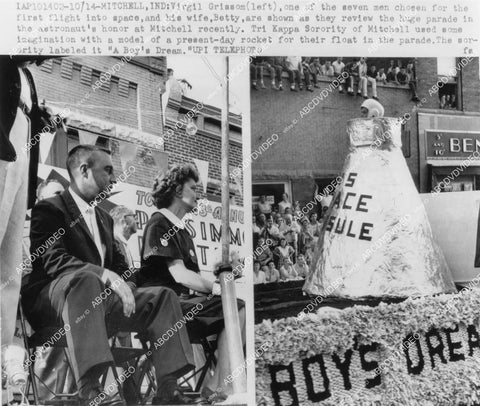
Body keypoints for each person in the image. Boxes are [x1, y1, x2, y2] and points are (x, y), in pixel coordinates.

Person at [22, 145, 197, 406]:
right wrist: (105, 275)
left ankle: (168, 389)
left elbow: (121, 267)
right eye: (107, 170)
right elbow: (54, 260)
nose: (114, 178)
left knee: (162, 297)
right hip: (54, 301)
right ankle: (90, 390)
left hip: (99, 301)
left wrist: (125, 283)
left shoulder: (105, 218)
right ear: (84, 171)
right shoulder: (50, 209)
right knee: (87, 279)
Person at [137, 163, 246, 401]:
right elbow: (181, 275)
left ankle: (217, 383)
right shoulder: (159, 223)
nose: (199, 194)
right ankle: (219, 386)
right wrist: (218, 289)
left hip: (182, 305)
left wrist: (223, 278)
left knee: (236, 307)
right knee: (235, 307)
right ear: (177, 191)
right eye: (194, 188)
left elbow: (193, 279)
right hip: (164, 311)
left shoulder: (182, 230)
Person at [1, 56, 58, 389]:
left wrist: (38, 117)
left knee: (9, 271)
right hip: (2, 147)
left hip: (20, 149)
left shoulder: (25, 75)